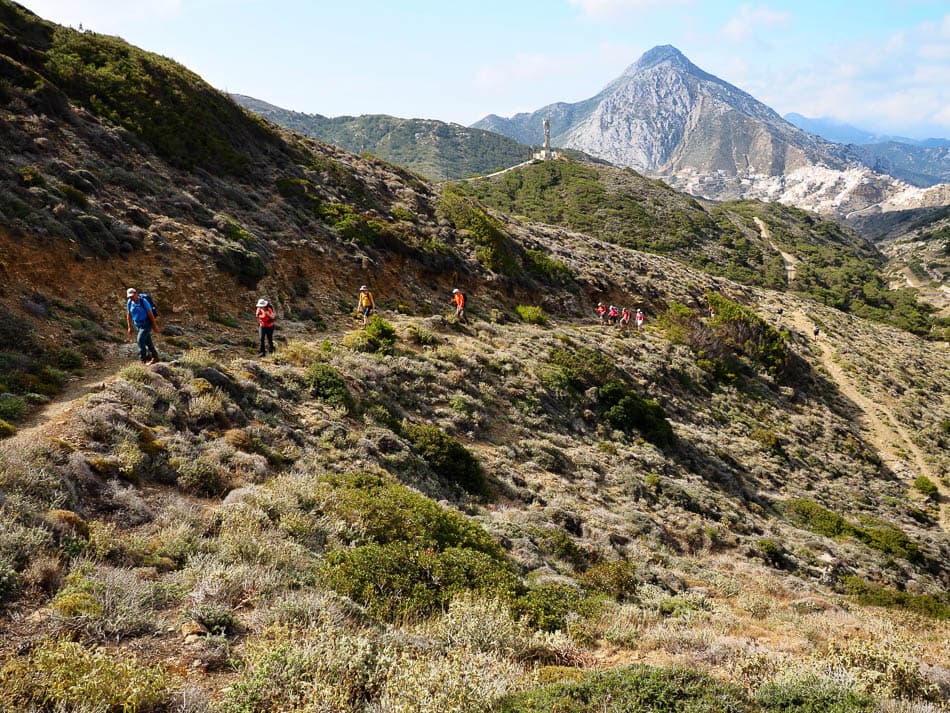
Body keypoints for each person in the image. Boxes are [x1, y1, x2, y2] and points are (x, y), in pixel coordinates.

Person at [126, 287, 159, 364]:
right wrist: (129, 326)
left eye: (132, 296)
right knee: (148, 342)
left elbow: (151, 314)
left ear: (136, 293)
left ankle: (142, 361)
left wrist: (155, 326)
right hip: (138, 325)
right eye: (129, 296)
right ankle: (155, 357)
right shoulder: (130, 302)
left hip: (147, 323)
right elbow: (129, 314)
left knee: (140, 340)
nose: (131, 298)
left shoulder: (143, 301)